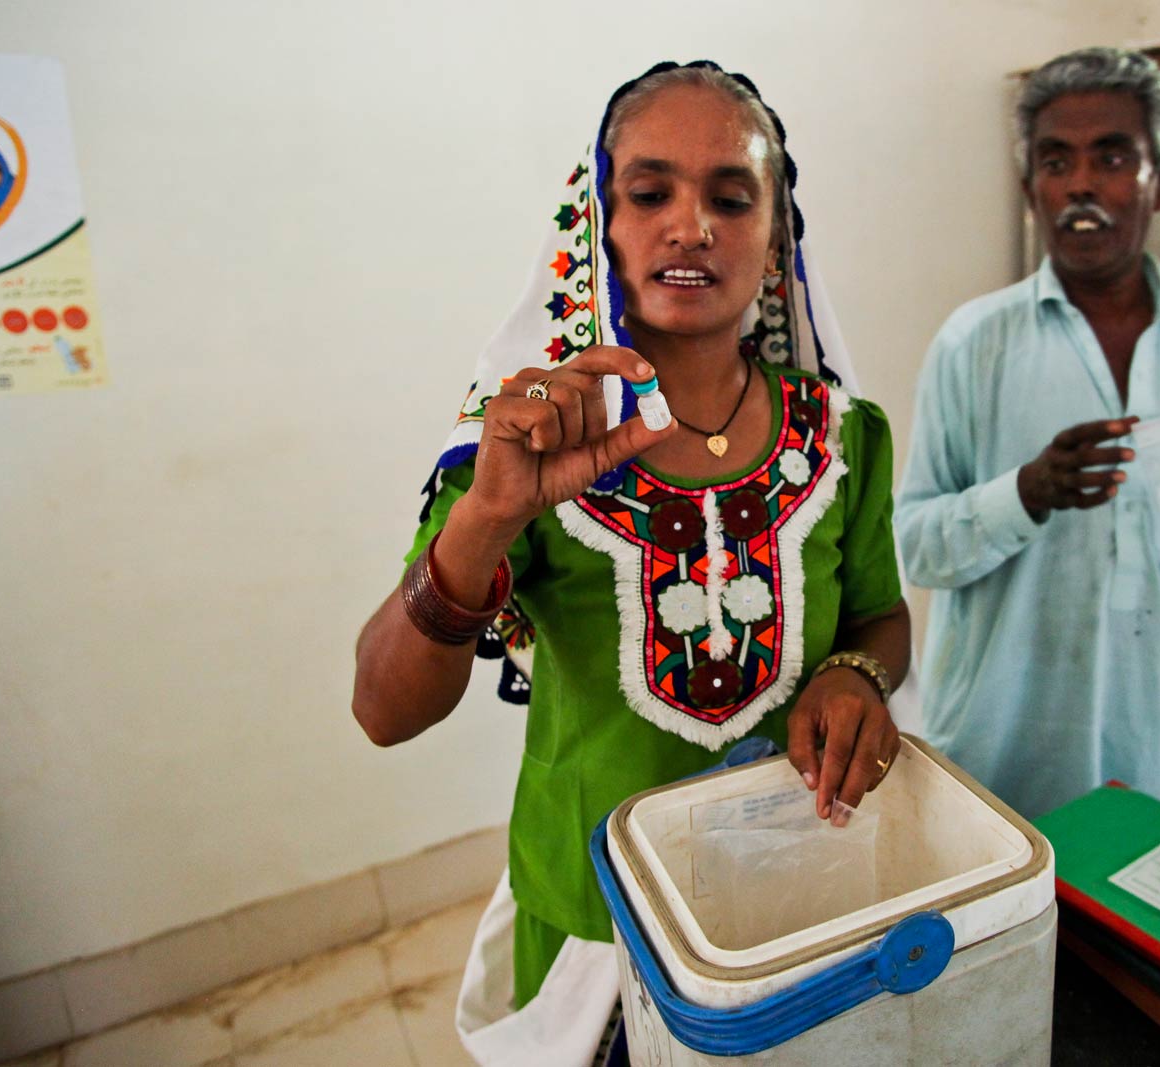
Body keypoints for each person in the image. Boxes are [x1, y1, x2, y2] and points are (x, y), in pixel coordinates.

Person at [351, 61, 909, 1063]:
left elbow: (880, 616)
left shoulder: (843, 434)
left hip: (800, 893)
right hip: (592, 921)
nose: (690, 224)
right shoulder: (524, 446)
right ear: (595, 223)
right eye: (649, 192)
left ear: (777, 231)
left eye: (730, 198)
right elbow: (383, 712)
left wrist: (855, 671)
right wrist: (484, 517)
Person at [894, 47, 1160, 825]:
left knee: (1147, 948)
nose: (1082, 184)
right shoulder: (973, 343)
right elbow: (916, 547)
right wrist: (1024, 494)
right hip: (1003, 768)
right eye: (1056, 161)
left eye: (1113, 157)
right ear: (1031, 189)